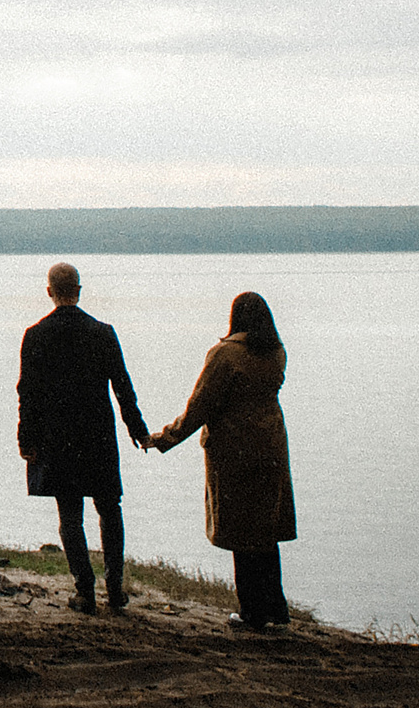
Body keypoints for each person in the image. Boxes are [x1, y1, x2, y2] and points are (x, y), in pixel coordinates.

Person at [150, 291, 296, 631]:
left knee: (242, 532)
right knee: (266, 531)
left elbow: (200, 406)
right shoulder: (277, 353)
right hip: (272, 446)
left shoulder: (225, 355)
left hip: (236, 450)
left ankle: (251, 613)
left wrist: (165, 438)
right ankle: (276, 608)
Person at [17, 261, 149, 614]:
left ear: (49, 292)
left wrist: (25, 440)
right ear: (79, 289)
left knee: (70, 515)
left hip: (57, 438)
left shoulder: (35, 335)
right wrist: (137, 430)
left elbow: (27, 393)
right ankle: (115, 588)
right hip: (98, 436)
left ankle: (84, 590)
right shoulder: (103, 332)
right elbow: (124, 388)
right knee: (110, 509)